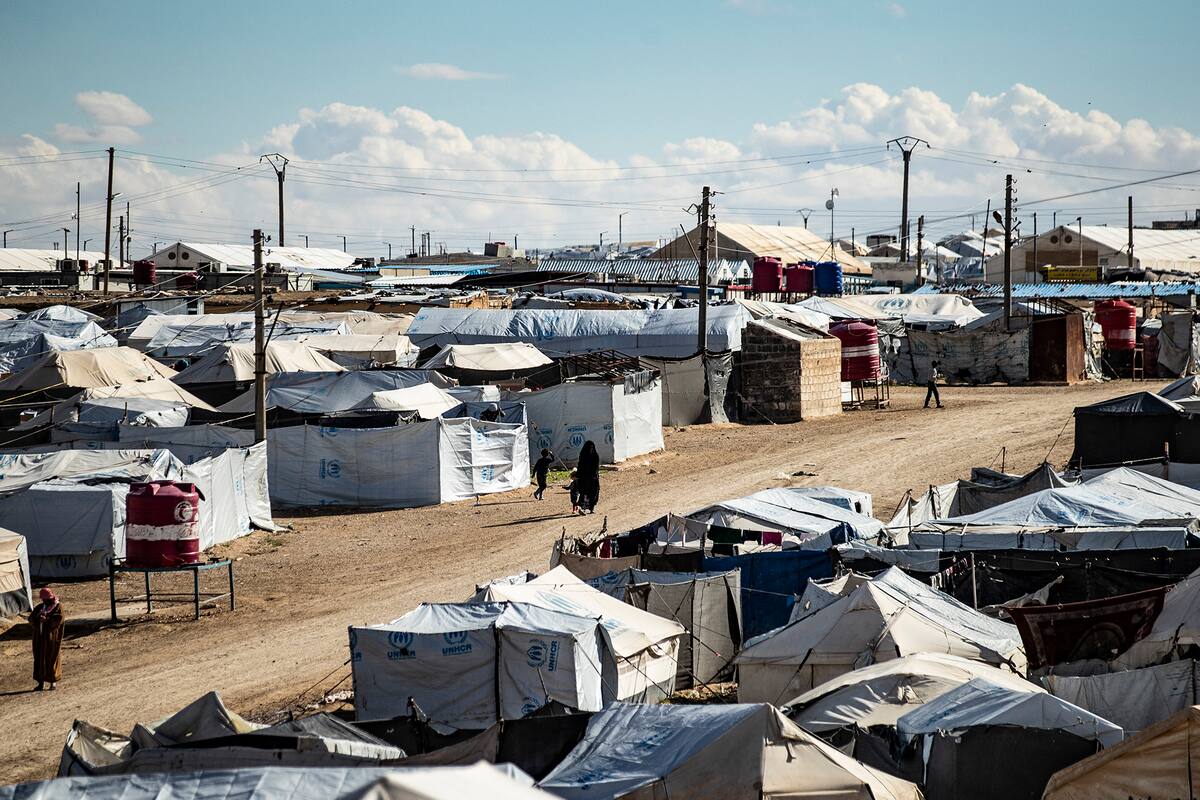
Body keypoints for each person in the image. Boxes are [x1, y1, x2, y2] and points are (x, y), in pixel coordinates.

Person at [31, 587, 64, 691]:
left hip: (51, 639)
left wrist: (47, 620)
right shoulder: (40, 607)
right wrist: (38, 619)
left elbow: (58, 620)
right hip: (40, 638)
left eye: (47, 599)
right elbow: (31, 619)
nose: (45, 601)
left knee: (51, 658)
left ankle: (52, 682)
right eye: (43, 599)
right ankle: (40, 683)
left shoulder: (58, 607)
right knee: (39, 659)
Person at [575, 440, 601, 514]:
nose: (590, 449)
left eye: (592, 447)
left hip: (593, 478)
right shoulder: (583, 455)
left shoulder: (595, 456)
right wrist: (578, 474)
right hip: (584, 477)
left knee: (594, 493)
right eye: (589, 447)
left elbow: (596, 468)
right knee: (584, 493)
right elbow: (580, 466)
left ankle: (591, 507)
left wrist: (594, 475)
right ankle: (582, 508)